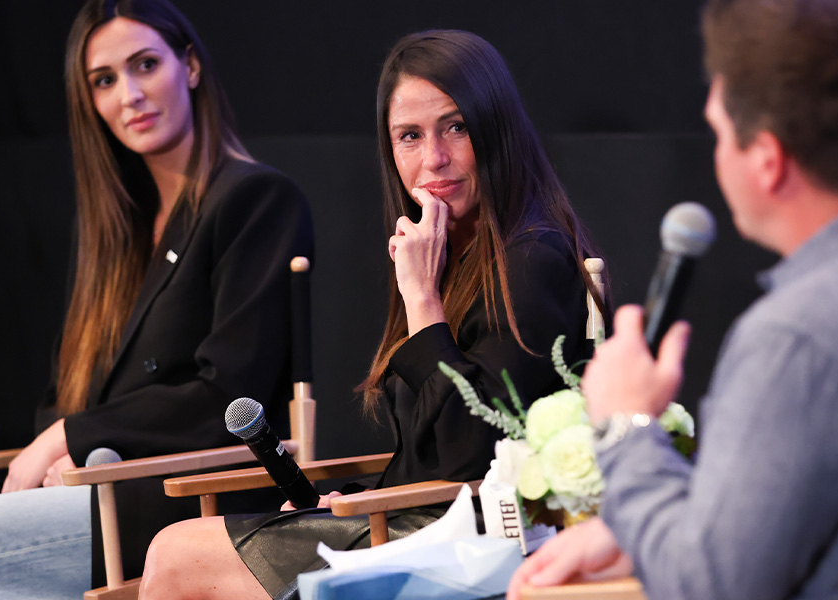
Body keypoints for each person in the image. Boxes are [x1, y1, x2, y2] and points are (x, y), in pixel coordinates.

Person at [509, 0, 838, 599]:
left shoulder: (801, 335)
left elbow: (709, 588)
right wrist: (639, 523)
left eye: (720, 133)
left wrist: (626, 425)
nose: (715, 154)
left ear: (767, 161)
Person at [138, 29, 609, 600]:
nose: (433, 158)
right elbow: (429, 452)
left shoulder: (531, 254)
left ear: (496, 129)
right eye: (409, 136)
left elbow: (470, 458)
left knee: (177, 554)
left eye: (456, 128)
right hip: (415, 522)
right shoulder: (455, 251)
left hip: (475, 546)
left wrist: (422, 301)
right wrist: (358, 497)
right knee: (180, 550)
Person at [0, 0, 312, 597]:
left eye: (144, 65)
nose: (128, 94)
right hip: (92, 496)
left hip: (181, 507)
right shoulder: (117, 230)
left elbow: (227, 396)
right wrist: (65, 443)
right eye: (104, 81)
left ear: (189, 66)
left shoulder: (254, 198)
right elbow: (69, 391)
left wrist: (66, 438)